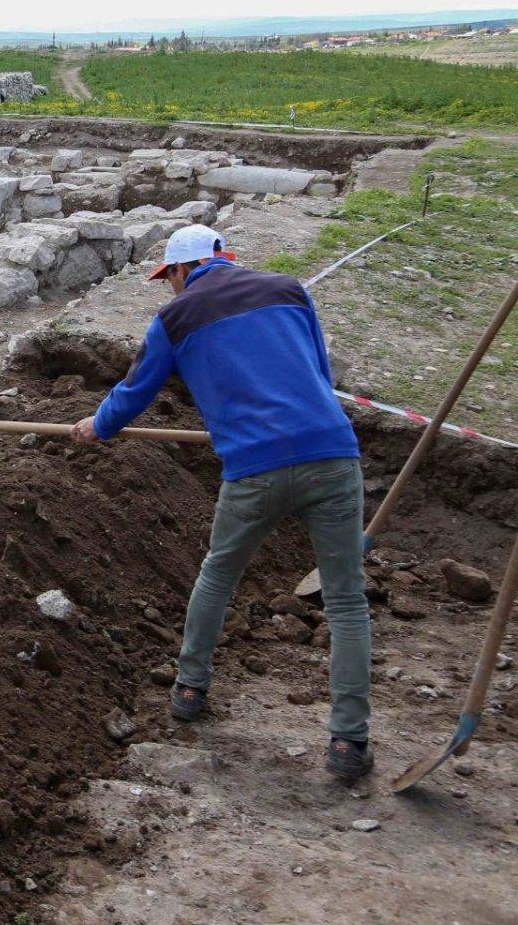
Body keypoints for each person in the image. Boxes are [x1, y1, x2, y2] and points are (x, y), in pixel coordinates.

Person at [70, 224, 374, 780]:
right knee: (347, 602)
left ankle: (189, 689)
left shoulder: (175, 318)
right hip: (332, 454)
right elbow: (318, 376)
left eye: (169, 278)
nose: (170, 289)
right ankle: (347, 743)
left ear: (183, 270)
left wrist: (99, 426)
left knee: (218, 576)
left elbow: (137, 390)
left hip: (254, 468)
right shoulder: (290, 289)